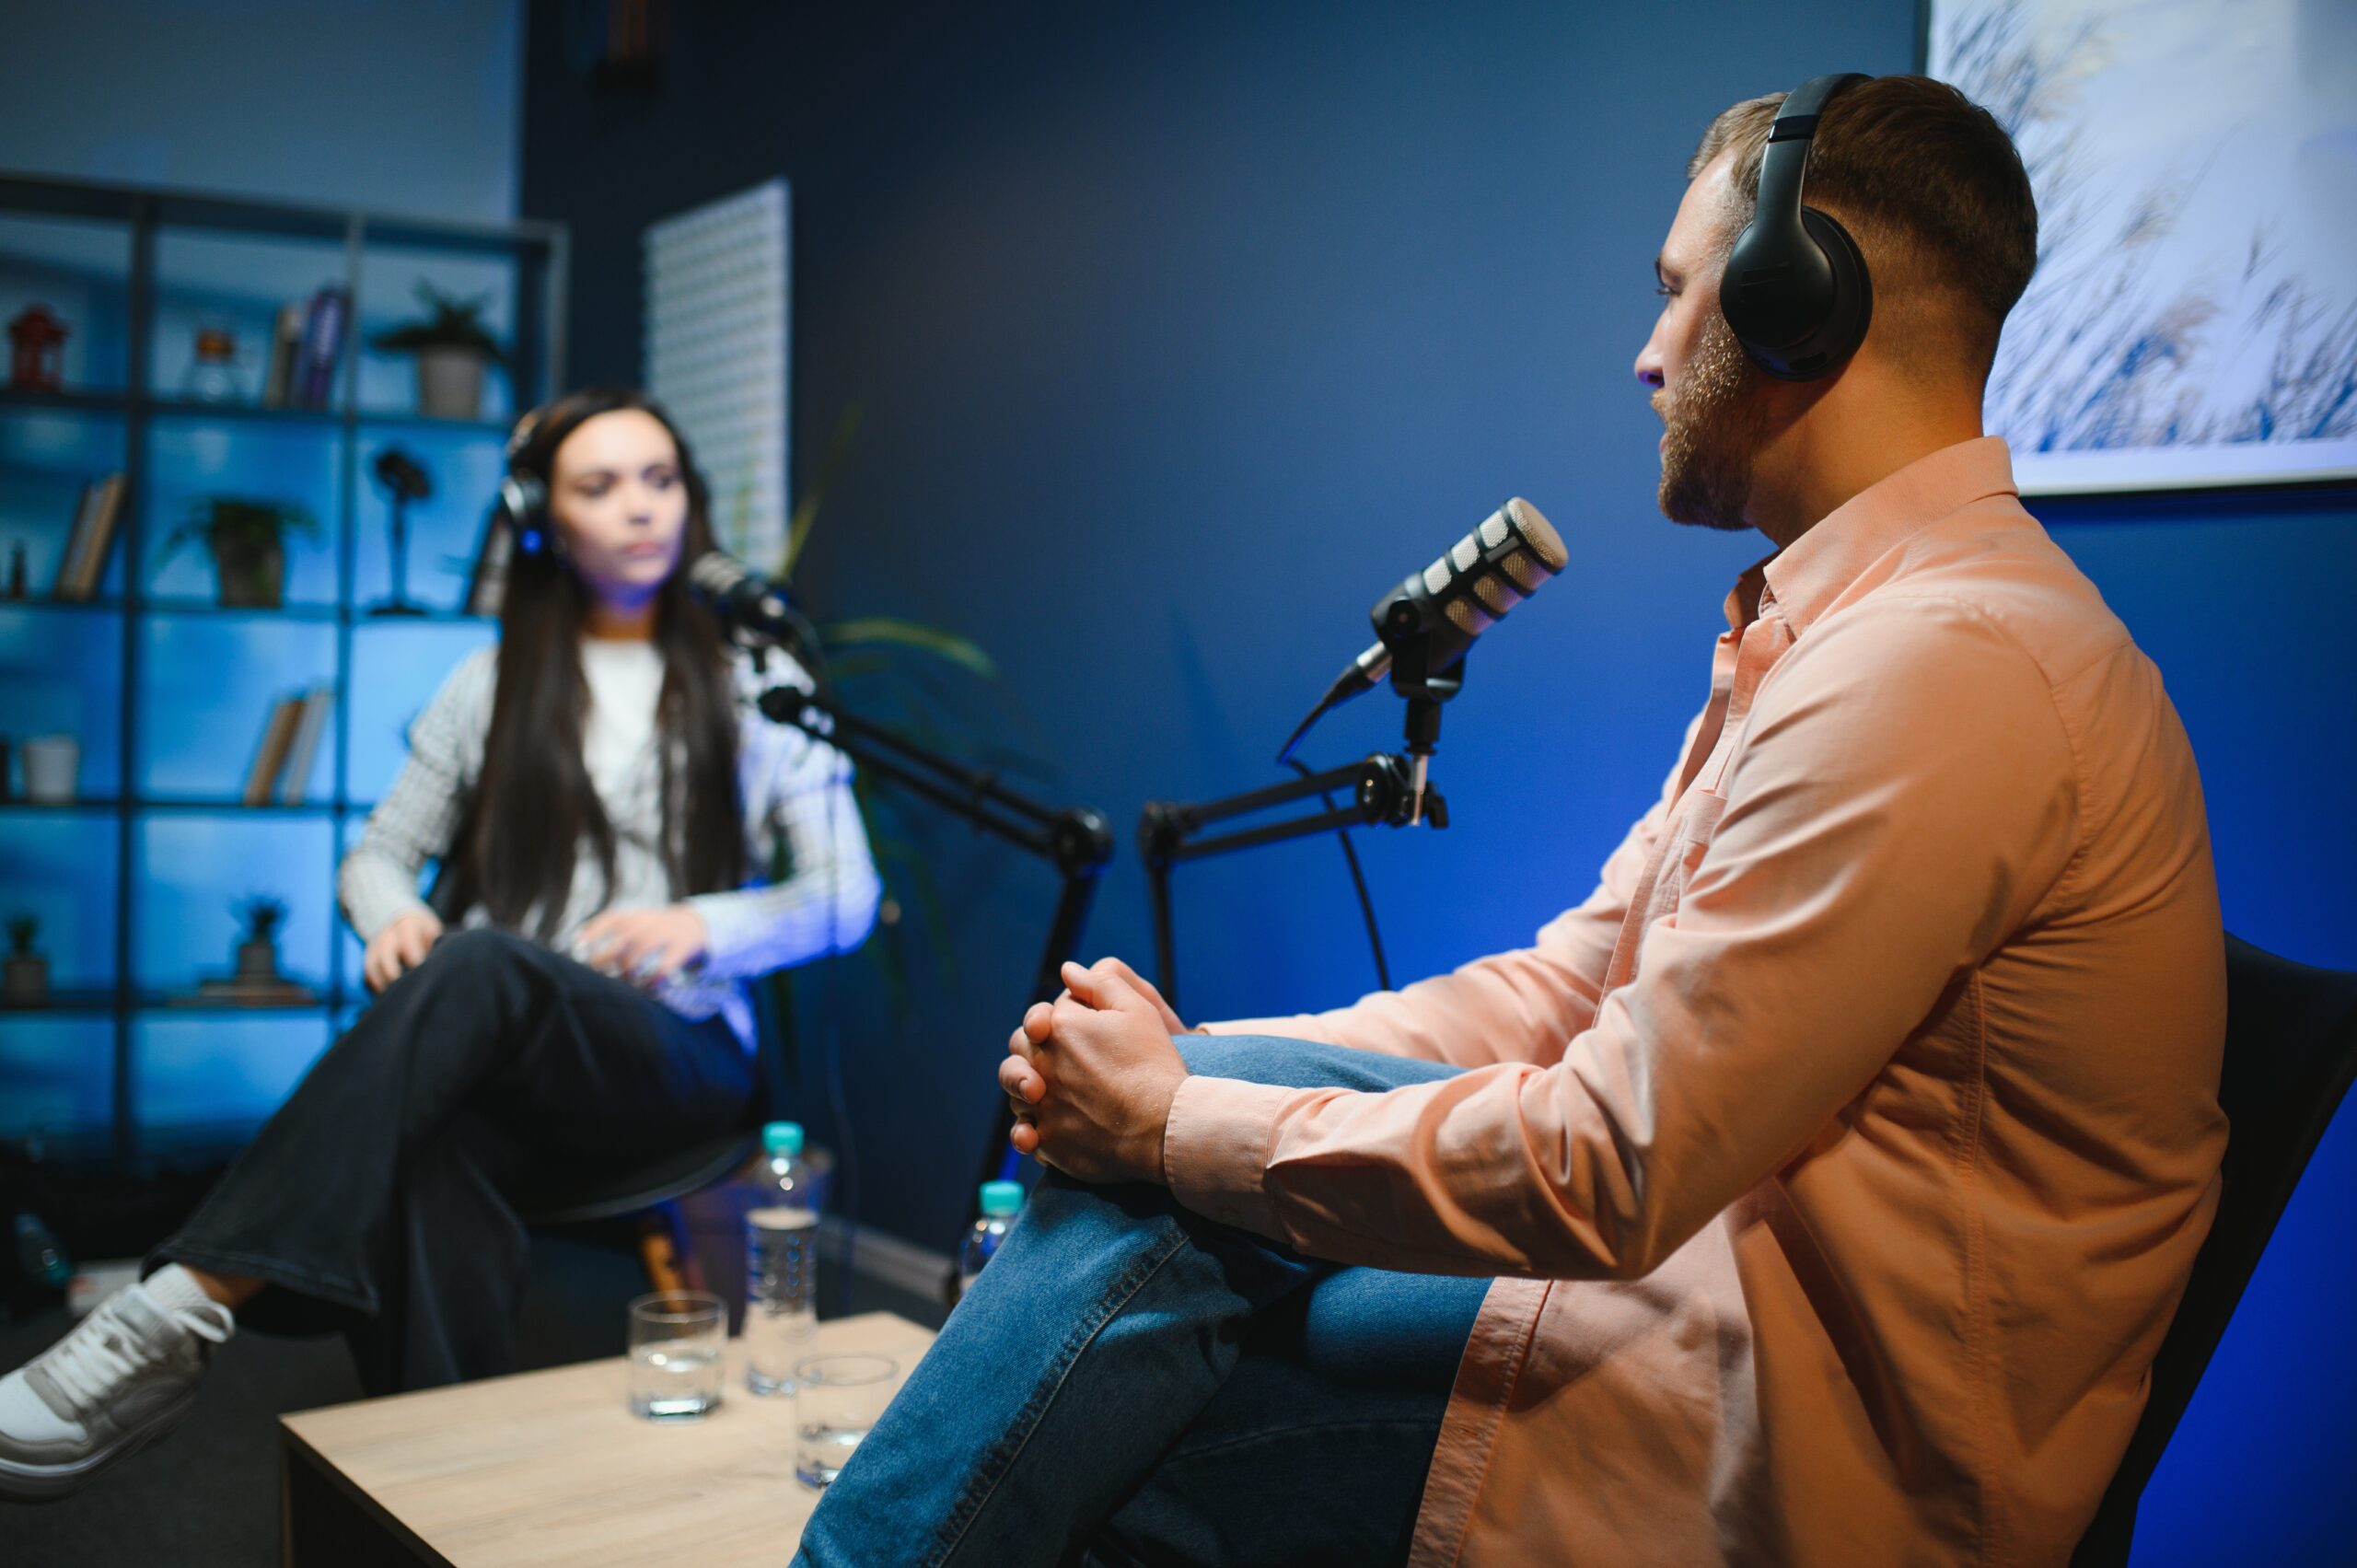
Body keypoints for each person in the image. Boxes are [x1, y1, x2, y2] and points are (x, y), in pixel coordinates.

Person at [792, 75, 2226, 1567]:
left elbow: (1610, 1160)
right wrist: (1193, 1071)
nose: (1648, 353)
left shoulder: (1947, 672)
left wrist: (1167, 1118)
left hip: (1777, 1454)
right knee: (1168, 1187)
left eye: (1677, 294)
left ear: (1799, 302)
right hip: (1688, 1302)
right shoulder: (1853, 634)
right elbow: (1570, 988)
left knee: (1118, 1430)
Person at [0, 387, 881, 1501]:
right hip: (511, 1068)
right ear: (544, 521)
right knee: (429, 1153)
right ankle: (444, 1495)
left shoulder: (757, 681)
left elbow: (847, 891)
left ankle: (174, 1310)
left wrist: (697, 922)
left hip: (676, 1055)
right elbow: (375, 857)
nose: (638, 508)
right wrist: (392, 914)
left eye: (659, 479)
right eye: (599, 486)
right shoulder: (486, 686)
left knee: (478, 962)